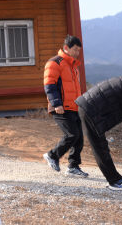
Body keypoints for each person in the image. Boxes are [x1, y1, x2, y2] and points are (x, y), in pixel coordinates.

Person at [42, 35, 88, 178]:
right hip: (60, 107)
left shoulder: (73, 66)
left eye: (79, 50)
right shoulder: (54, 63)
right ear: (66, 48)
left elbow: (76, 89)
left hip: (74, 107)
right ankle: (52, 155)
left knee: (79, 137)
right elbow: (49, 85)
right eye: (75, 49)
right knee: (71, 134)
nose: (77, 53)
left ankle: (73, 167)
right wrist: (56, 104)